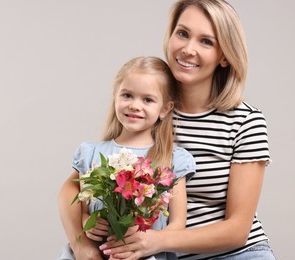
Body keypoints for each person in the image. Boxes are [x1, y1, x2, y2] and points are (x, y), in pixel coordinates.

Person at [96, 0, 276, 259]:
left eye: (206, 42)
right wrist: (83, 244)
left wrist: (157, 241)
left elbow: (238, 230)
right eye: (182, 34)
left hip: (237, 254)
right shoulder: (147, 107)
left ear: (224, 55)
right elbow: (90, 175)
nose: (188, 49)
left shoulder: (245, 121)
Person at [57, 56, 196, 260]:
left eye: (147, 99)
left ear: (165, 109)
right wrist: (87, 221)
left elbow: (177, 224)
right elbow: (77, 203)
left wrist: (147, 242)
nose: (135, 105)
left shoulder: (172, 160)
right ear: (115, 96)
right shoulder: (91, 153)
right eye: (127, 95)